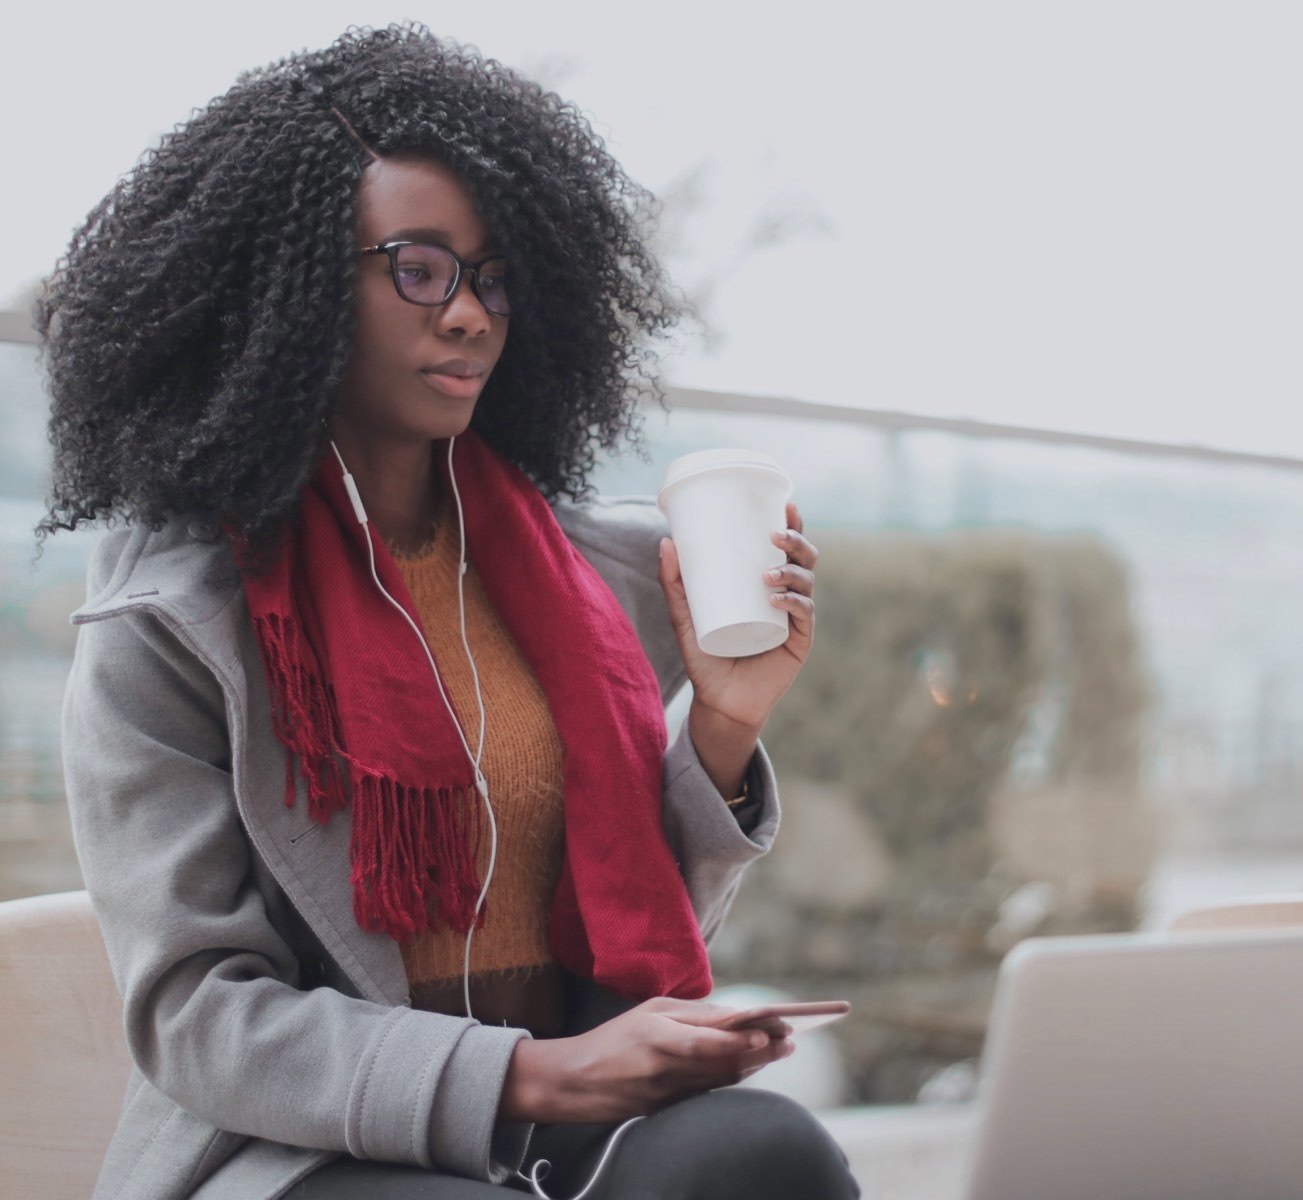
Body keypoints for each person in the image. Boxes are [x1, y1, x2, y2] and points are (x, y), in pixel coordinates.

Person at [39, 24, 857, 1200]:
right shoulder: (170, 620)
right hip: (300, 1153)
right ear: (295, 288)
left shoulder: (590, 574)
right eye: (419, 268)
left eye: (494, 276)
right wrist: (529, 1077)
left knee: (767, 1154)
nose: (471, 315)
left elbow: (623, 919)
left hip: (556, 1117)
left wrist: (720, 725)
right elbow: (197, 1017)